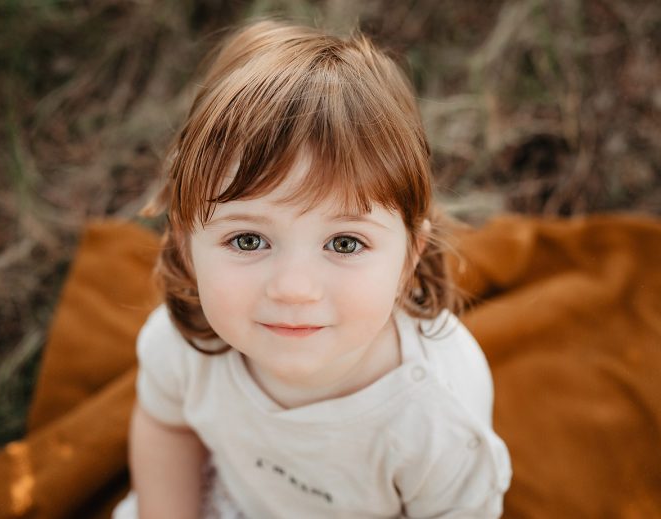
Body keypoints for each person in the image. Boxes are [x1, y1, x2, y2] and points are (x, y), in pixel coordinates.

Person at [114, 19, 511, 519]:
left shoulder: (435, 417)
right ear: (187, 246)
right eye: (249, 239)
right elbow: (166, 425)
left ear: (409, 255)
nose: (294, 289)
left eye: (344, 242)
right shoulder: (186, 342)